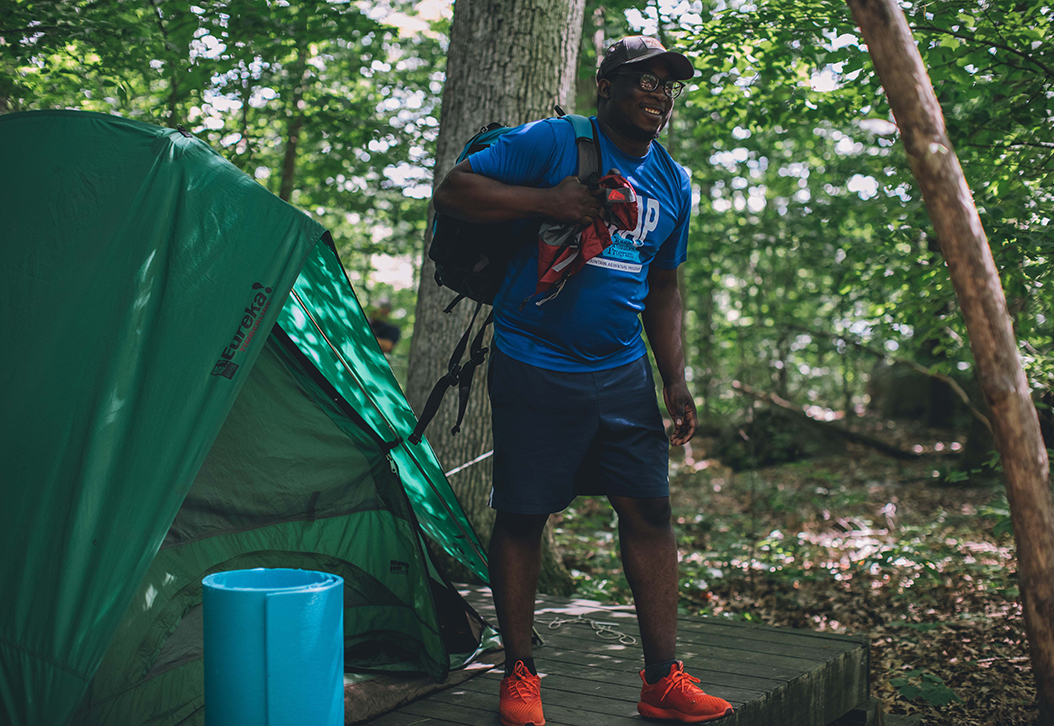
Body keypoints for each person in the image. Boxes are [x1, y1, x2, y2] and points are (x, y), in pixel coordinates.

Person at [432, 36, 734, 726]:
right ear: (605, 86)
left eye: (668, 85)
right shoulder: (553, 141)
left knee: (650, 512)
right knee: (523, 513)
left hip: (622, 372)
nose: (658, 94)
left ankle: (662, 681)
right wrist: (548, 201)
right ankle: (519, 675)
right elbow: (455, 190)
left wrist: (676, 380)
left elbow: (664, 285)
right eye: (644, 81)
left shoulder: (673, 180)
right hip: (534, 361)